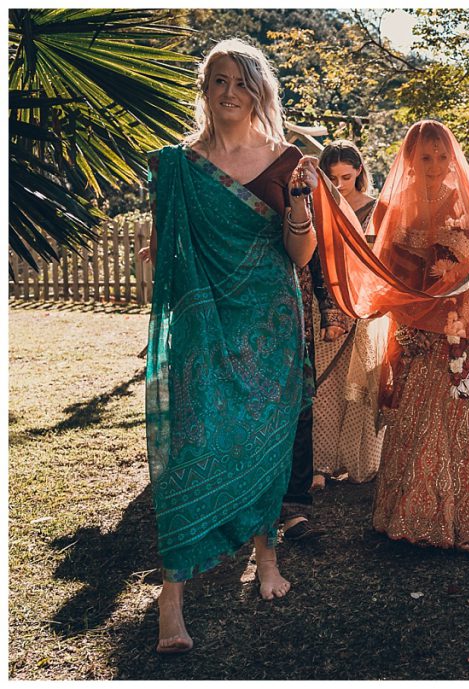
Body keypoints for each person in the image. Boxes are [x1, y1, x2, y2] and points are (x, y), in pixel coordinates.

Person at [144, 38, 319, 654]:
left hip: (268, 323)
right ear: (205, 91)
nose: (227, 93)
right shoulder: (178, 167)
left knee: (266, 444)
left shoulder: (286, 160)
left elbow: (299, 256)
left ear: (258, 91)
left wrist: (299, 209)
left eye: (239, 82)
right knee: (190, 444)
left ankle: (266, 556)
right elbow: (165, 252)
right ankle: (172, 595)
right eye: (217, 81)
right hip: (203, 325)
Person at [307, 120, 469, 552]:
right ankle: (410, 513)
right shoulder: (394, 208)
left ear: (453, 159)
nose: (433, 165)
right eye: (423, 157)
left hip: (457, 329)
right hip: (413, 330)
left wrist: (461, 277)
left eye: (441, 156)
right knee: (414, 412)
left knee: (462, 409)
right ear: (410, 160)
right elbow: (381, 269)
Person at [310, 140, 388, 487]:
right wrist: (328, 307)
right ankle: (322, 466)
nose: (340, 184)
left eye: (346, 176)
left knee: (362, 386)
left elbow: (384, 259)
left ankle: (360, 461)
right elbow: (315, 260)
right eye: (332, 178)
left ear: (359, 171)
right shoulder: (320, 208)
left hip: (368, 308)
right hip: (326, 305)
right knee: (325, 384)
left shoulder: (378, 209)